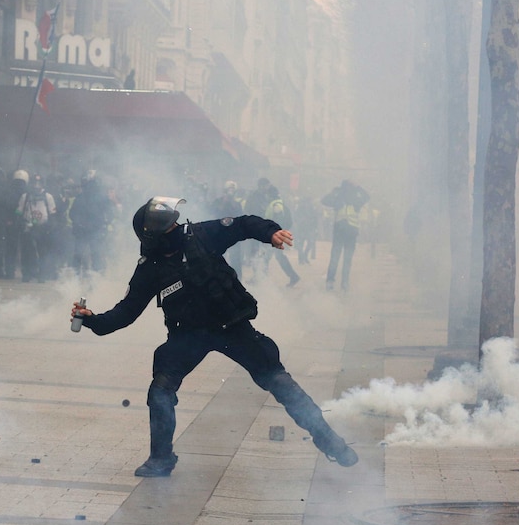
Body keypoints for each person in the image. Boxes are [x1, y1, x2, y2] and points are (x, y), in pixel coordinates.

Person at [70, 196, 358, 477]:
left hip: (231, 326)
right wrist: (92, 320)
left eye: (175, 223)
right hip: (187, 336)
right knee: (160, 392)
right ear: (154, 236)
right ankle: (160, 459)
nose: (176, 229)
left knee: (278, 380)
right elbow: (126, 312)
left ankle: (330, 441)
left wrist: (270, 232)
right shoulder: (150, 269)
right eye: (168, 227)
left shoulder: (201, 235)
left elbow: (243, 224)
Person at [321, 179, 370, 291]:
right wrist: (358, 187)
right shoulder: (356, 198)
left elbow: (324, 200)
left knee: (335, 257)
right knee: (346, 259)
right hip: (351, 231)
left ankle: (330, 281)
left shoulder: (338, 196)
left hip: (340, 230)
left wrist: (334, 192)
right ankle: (344, 282)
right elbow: (367, 196)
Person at [16, 173, 56, 282]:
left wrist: (49, 227)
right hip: (28, 227)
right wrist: (21, 221)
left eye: (39, 182)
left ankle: (42, 274)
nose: (37, 185)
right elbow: (19, 211)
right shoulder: (25, 196)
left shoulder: (48, 197)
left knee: (42, 252)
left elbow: (52, 214)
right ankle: (27, 274)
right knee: (27, 252)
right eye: (35, 182)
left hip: (42, 228)